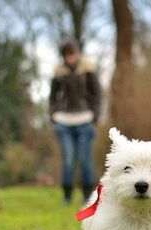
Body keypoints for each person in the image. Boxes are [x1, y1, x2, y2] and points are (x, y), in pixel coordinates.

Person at [49, 40, 101, 204]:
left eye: (73, 53)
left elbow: (97, 94)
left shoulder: (88, 70)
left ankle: (87, 195)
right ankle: (67, 196)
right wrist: (53, 115)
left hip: (85, 120)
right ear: (64, 56)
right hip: (63, 122)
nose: (71, 57)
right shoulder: (58, 73)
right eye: (67, 54)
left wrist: (95, 115)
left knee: (85, 159)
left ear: (78, 53)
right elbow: (52, 97)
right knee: (69, 159)